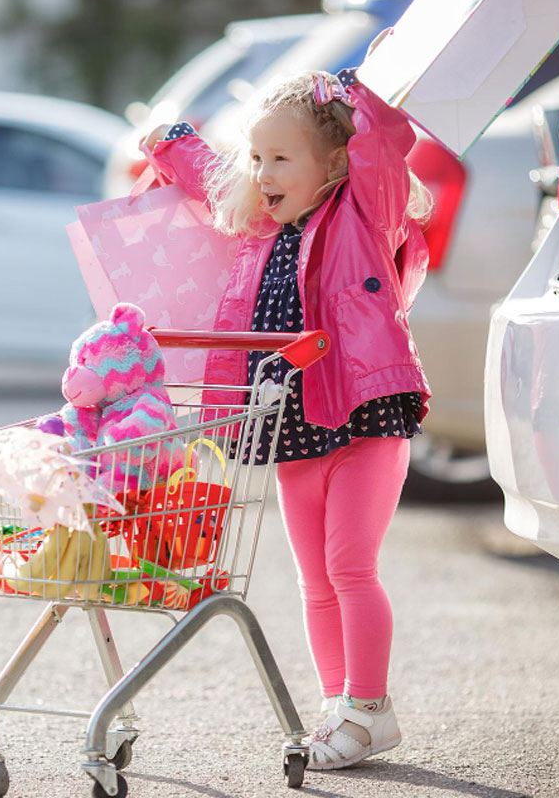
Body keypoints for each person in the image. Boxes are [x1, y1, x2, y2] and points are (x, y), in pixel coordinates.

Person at [141, 49, 432, 770]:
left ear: (333, 163)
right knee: (315, 580)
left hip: (365, 415)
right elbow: (212, 179)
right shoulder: (260, 228)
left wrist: (364, 98)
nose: (263, 174)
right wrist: (172, 142)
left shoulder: (363, 211)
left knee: (350, 567)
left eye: (281, 159)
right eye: (257, 157)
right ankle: (339, 705)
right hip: (293, 424)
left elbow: (383, 147)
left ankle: (370, 710)